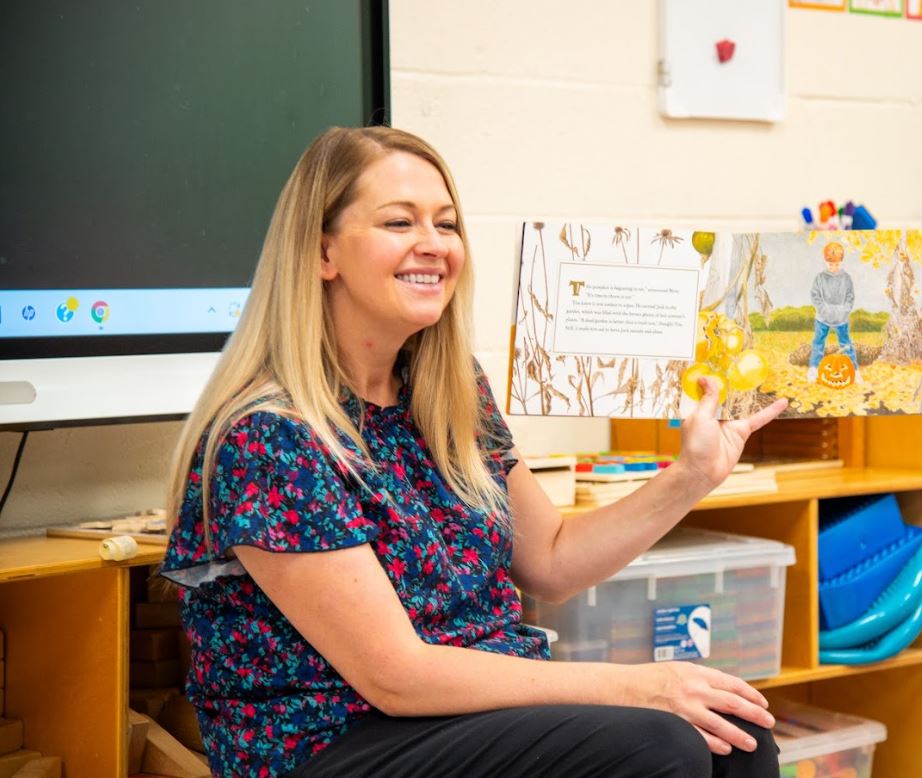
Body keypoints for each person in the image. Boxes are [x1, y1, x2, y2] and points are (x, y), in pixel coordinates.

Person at [161, 125, 790, 777]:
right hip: (333, 743)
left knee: (735, 733)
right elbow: (396, 677)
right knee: (661, 746)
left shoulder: (447, 391)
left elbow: (550, 560)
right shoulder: (270, 435)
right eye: (399, 222)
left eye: (447, 224)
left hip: (468, 717)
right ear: (324, 252)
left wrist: (691, 476)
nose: (431, 245)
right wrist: (633, 685)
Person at [807, 241, 858, 383]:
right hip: (822, 318)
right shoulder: (820, 278)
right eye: (831, 264)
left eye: (837, 264)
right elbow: (815, 296)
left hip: (842, 318)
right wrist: (824, 310)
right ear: (825, 262)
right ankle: (814, 368)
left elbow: (850, 297)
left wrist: (844, 310)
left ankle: (854, 369)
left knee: (846, 343)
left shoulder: (846, 278)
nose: (834, 267)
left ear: (841, 262)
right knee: (818, 343)